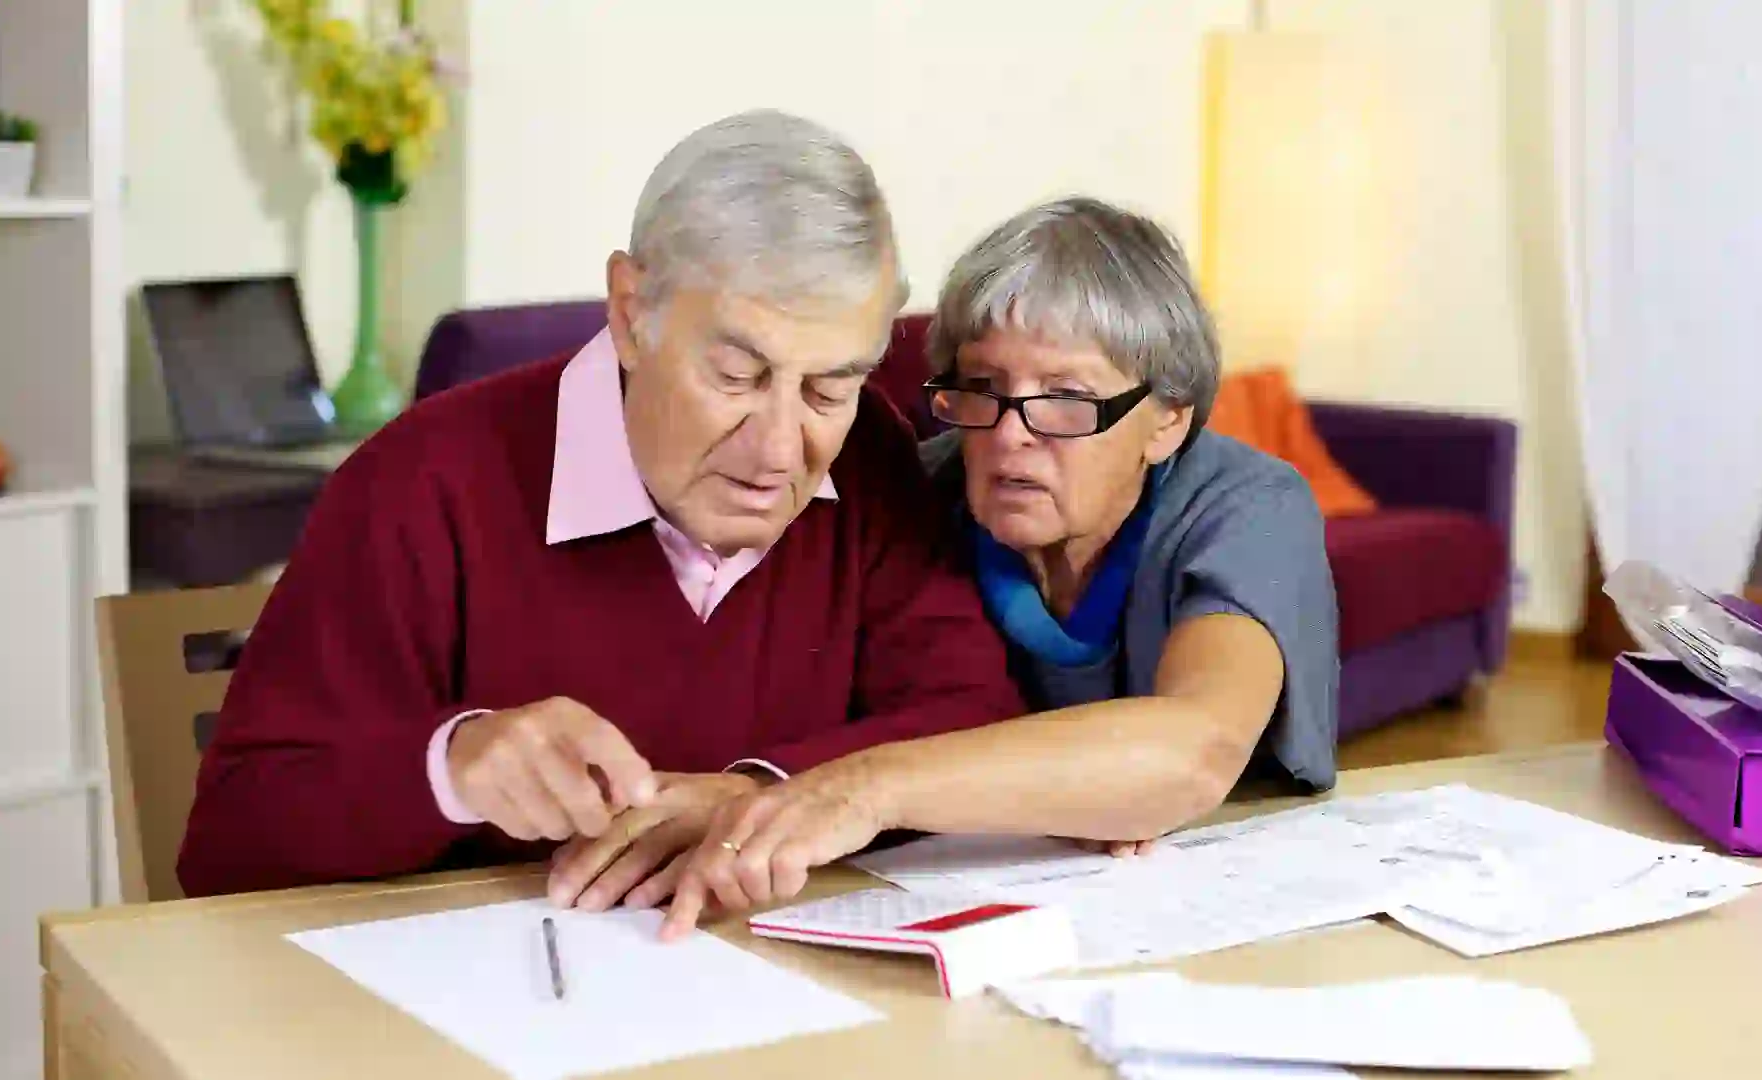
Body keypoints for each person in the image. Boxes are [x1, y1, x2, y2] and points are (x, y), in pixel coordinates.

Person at [174, 111, 1028, 898]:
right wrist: (449, 766)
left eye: (828, 389)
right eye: (736, 376)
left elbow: (975, 722)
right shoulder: (419, 481)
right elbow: (231, 840)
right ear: (630, 312)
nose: (779, 449)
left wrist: (759, 797)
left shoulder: (872, 455)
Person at [604, 196, 1340, 940]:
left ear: (1169, 420)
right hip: (975, 891)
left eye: (1066, 399)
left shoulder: (1245, 508)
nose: (1010, 437)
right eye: (984, 389)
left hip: (1222, 897)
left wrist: (863, 788)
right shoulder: (921, 494)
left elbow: (1197, 746)